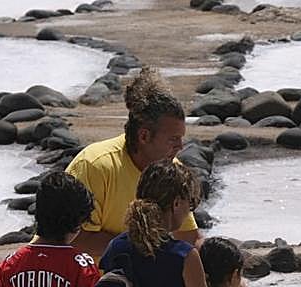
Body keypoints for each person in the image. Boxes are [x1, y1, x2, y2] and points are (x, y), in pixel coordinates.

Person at [66, 68, 201, 259]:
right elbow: (76, 239)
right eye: (173, 139)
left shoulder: (172, 171)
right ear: (144, 136)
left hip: (138, 284)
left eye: (181, 139)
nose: (180, 146)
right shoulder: (96, 165)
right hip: (90, 283)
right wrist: (143, 250)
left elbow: (189, 238)